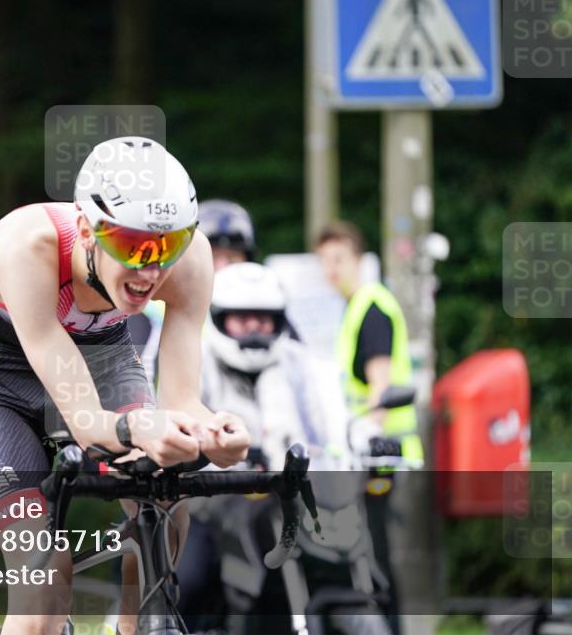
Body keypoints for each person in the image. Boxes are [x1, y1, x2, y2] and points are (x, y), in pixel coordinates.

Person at [0, 136, 251, 635]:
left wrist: (215, 432)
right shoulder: (27, 246)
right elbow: (90, 424)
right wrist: (144, 428)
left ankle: (130, 626)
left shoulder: (193, 258)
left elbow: (181, 401)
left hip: (103, 359)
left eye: (167, 246)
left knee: (166, 513)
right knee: (43, 586)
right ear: (88, 230)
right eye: (133, 247)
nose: (150, 270)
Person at [176, 262, 349, 632]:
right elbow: (177, 425)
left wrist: (360, 442)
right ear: (221, 319)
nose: (254, 327)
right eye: (243, 318)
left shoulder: (302, 365)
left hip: (296, 503)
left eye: (263, 318)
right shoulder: (195, 360)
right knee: (185, 583)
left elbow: (335, 424)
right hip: (210, 507)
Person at [315, 220, 424, 635]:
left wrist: (363, 440)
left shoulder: (372, 307)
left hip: (379, 452)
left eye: (339, 259)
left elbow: (380, 387)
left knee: (373, 550)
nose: (331, 269)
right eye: (324, 261)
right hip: (370, 451)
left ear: (359, 260)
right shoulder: (357, 306)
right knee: (369, 547)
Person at [128, 199, 258, 388]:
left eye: (232, 257)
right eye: (213, 255)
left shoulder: (264, 308)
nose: (222, 267)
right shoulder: (148, 307)